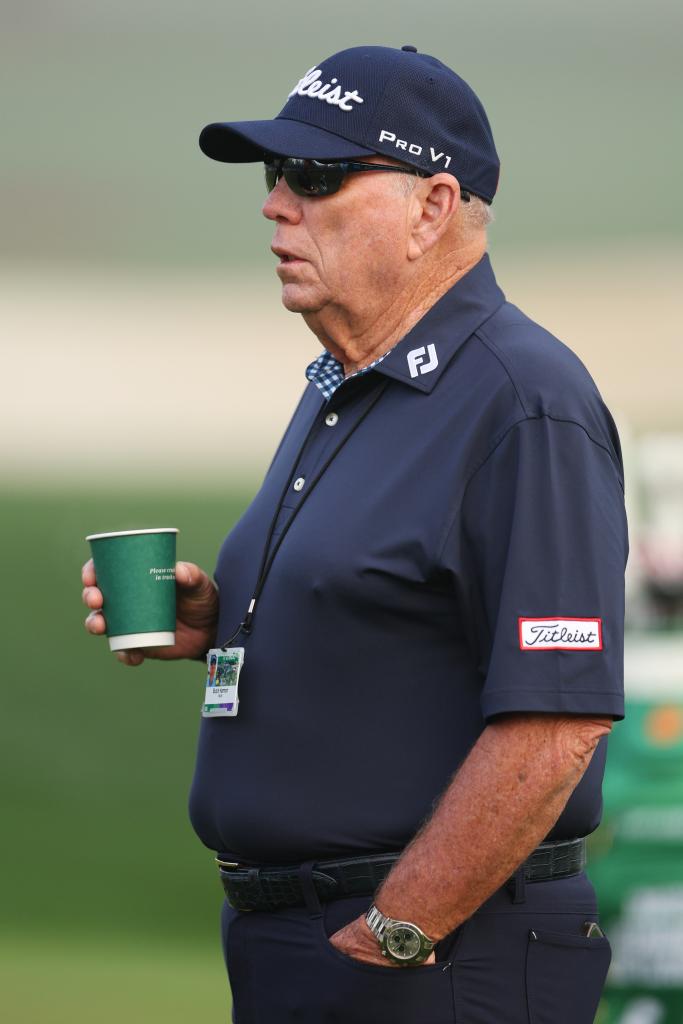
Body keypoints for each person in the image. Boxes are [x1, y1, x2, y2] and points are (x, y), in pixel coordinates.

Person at [82, 44, 628, 1024]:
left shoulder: (522, 398)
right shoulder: (344, 384)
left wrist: (399, 926)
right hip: (304, 948)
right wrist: (219, 619)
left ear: (431, 207)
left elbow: (555, 720)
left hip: (435, 957)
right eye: (274, 173)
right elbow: (394, 608)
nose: (277, 203)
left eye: (319, 175)